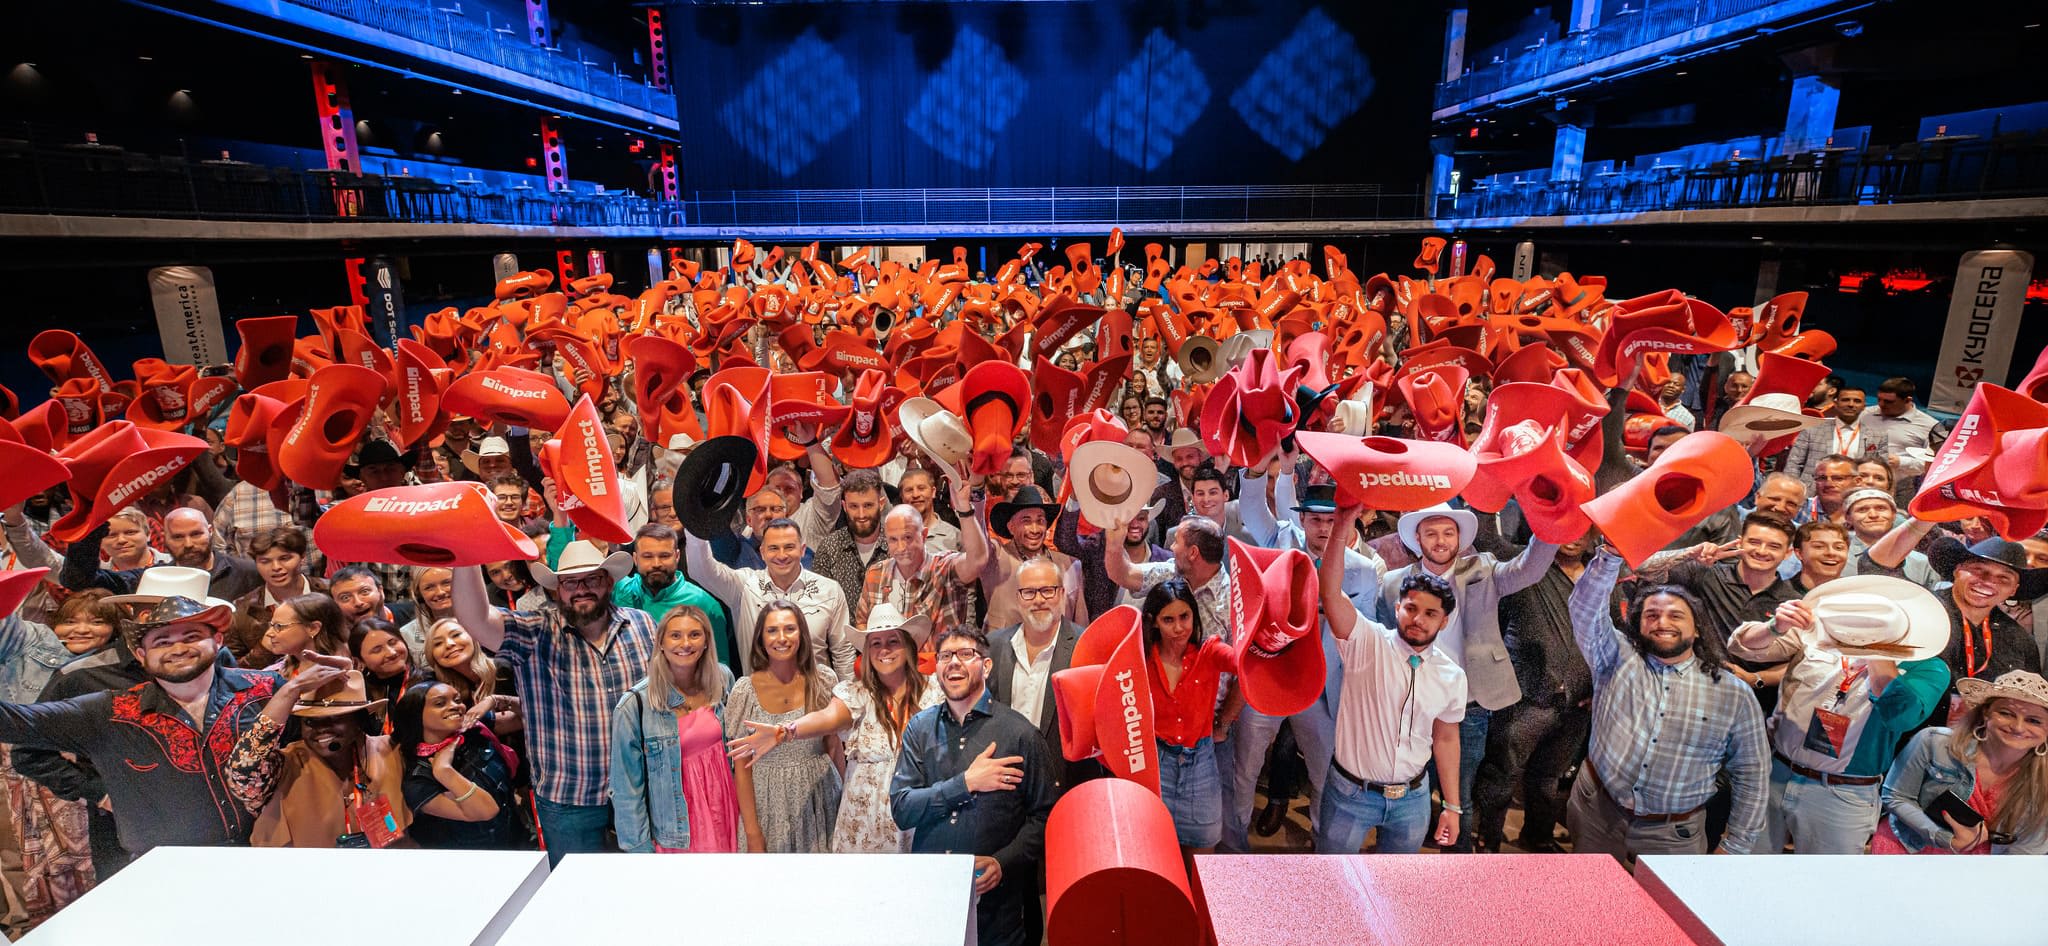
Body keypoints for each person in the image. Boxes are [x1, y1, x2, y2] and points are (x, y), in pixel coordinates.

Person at [0, 596, 347, 858]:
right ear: (140, 655)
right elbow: (15, 723)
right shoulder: (108, 710)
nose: (178, 648)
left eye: (192, 636)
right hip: (162, 869)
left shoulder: (265, 690)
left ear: (218, 641)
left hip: (265, 853)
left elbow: (335, 747)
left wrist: (345, 680)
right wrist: (98, 792)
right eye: (162, 642)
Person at [450, 540, 658, 864]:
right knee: (576, 898)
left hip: (640, 790)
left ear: (608, 581)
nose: (581, 589)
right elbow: (476, 620)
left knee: (643, 889)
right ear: (558, 589)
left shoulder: (643, 624)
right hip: (569, 797)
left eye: (592, 579)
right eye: (570, 582)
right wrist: (466, 549)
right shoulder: (535, 632)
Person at [1566, 543, 1770, 859]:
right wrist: (1610, 555)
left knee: (1664, 908)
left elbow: (1752, 772)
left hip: (1673, 835)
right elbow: (1584, 609)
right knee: (1586, 900)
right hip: (1596, 813)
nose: (1663, 623)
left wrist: (1737, 845)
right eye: (1652, 615)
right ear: (1639, 624)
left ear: (1698, 629)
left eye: (1676, 615)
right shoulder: (1616, 658)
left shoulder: (1733, 693)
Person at [1377, 503, 1559, 851]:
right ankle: (1403, 867)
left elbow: (1530, 569)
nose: (1440, 541)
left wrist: (1552, 527)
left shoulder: (1483, 570)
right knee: (1408, 790)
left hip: (1468, 706)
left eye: (1448, 533)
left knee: (1457, 795)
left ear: (1460, 538)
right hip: (1410, 705)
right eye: (1431, 533)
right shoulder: (1392, 584)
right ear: (1417, 538)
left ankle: (1459, 870)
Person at [1728, 587, 1949, 853]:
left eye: (1877, 620)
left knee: (1825, 883)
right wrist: (1776, 626)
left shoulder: (1928, 666)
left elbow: (1900, 716)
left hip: (1841, 793)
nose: (1865, 623)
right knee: (1749, 865)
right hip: (1776, 772)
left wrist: (1878, 650)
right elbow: (1743, 647)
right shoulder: (1819, 635)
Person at [890, 626, 1054, 946]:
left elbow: (1046, 817)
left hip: (1000, 911)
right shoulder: (920, 728)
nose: (954, 662)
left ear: (986, 666)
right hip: (932, 899)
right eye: (945, 656)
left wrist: (1002, 862)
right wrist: (965, 783)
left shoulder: (1020, 734)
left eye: (966, 654)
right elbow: (902, 809)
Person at [729, 604, 938, 853]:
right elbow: (827, 718)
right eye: (876, 643)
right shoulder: (857, 695)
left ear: (909, 646)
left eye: (893, 641)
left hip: (919, 819)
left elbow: (832, 748)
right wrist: (785, 731)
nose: (884, 650)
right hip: (865, 828)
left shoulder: (935, 692)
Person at [1315, 509, 1465, 855]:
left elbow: (1445, 738)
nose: (1418, 620)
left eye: (1430, 614)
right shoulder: (1366, 640)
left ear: (1444, 622)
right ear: (1397, 607)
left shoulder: (1451, 675)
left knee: (1394, 891)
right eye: (1411, 609)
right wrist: (1342, 525)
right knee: (1332, 881)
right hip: (1351, 794)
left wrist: (1452, 807)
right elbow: (1331, 593)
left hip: (1412, 800)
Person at [1474, 527, 1600, 853]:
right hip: (1523, 696)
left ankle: (1537, 837)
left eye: (1583, 528)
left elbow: (1611, 635)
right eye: (1565, 525)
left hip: (1577, 703)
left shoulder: (1602, 574)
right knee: (1501, 773)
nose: (1573, 535)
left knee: (1549, 779)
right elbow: (1485, 533)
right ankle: (1487, 838)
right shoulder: (1521, 560)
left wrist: (1599, 688)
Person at [0, 591, 111, 923]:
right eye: (70, 621)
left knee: (89, 854)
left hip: (86, 773)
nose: (81, 629)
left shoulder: (118, 666)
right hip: (30, 767)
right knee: (34, 855)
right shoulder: (35, 645)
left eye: (96, 621)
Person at [610, 605, 740, 853]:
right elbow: (626, 789)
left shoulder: (723, 680)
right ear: (660, 642)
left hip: (727, 812)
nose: (685, 643)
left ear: (706, 642)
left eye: (694, 635)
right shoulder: (635, 705)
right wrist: (639, 850)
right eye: (675, 635)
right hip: (677, 829)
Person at [1877, 670, 2048, 854]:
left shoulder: (2042, 781)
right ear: (1986, 714)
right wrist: (1944, 838)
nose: (2018, 727)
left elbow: (2029, 848)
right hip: (1908, 850)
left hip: (1980, 869)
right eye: (2006, 713)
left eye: (2034, 721)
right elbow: (1895, 796)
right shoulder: (1934, 742)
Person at [724, 601, 839, 853]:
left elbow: (833, 745)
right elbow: (741, 768)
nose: (782, 638)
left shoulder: (823, 680)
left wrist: (843, 805)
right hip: (769, 802)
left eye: (790, 629)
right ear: (761, 639)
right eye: (772, 630)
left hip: (819, 796)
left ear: (802, 634)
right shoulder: (744, 691)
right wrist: (753, 833)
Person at [249, 671, 413, 848]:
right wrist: (292, 688)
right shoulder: (284, 763)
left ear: (360, 721)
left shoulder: (393, 751)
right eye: (310, 722)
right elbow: (244, 767)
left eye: (334, 718)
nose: (321, 729)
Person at [1141, 579, 1240, 860]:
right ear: (1154, 622)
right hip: (1155, 767)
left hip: (1201, 768)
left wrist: (1223, 723)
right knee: (1155, 861)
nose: (1179, 627)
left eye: (1185, 617)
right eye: (1168, 619)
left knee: (1203, 865)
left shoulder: (1209, 651)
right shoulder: (1140, 657)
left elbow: (1244, 666)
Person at [686, 516, 854, 678]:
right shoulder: (745, 586)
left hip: (817, 700)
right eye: (773, 548)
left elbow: (843, 653)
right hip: (760, 701)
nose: (782, 555)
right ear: (762, 552)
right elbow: (701, 570)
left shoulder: (829, 590)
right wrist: (695, 519)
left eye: (789, 547)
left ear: (802, 550)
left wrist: (848, 702)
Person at [987, 558, 1100, 794]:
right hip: (1004, 784)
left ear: (1061, 594)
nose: (1038, 600)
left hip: (1063, 786)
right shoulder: (993, 646)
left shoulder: (1086, 647)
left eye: (1047, 591)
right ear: (1018, 598)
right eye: (1029, 592)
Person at [390, 681, 524, 849]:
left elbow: (531, 718)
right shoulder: (418, 779)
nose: (455, 706)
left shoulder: (473, 728)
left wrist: (496, 700)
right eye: (440, 703)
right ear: (416, 715)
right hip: (474, 862)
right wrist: (444, 771)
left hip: (519, 843)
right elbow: (486, 811)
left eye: (457, 700)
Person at [854, 496, 989, 646]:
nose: (901, 547)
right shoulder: (876, 573)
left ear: (924, 536)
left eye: (908, 537)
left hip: (936, 666)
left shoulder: (944, 568)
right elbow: (862, 624)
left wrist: (965, 510)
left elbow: (978, 560)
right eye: (893, 539)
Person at [610, 523, 728, 653]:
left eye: (664, 556)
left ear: (677, 556)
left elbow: (720, 667)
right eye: (648, 556)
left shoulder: (704, 604)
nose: (656, 564)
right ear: (635, 559)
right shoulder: (619, 590)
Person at [980, 485, 1077, 630]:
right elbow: (978, 541)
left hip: (1057, 651)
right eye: (1026, 521)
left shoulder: (1069, 564)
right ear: (1011, 527)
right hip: (1003, 650)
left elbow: (1080, 625)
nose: (1035, 529)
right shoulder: (997, 558)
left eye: (1040, 521)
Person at [227, 526, 325, 666]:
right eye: (265, 561)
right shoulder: (241, 610)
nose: (276, 567)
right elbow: (231, 672)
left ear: (302, 557)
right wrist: (263, 649)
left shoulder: (330, 593)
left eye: (285, 558)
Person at [423, 618, 522, 738]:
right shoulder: (443, 689)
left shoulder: (506, 667)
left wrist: (494, 700)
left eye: (456, 635)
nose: (449, 644)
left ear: (473, 637)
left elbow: (538, 709)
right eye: (438, 643)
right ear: (432, 655)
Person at [1862, 378, 1945, 497]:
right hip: (1859, 484)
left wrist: (1901, 462)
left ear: (1908, 400)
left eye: (1888, 401)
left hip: (1901, 491)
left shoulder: (1931, 426)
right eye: (1879, 399)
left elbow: (1935, 465)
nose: (1881, 405)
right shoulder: (1864, 414)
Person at [348, 618, 422, 733]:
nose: (391, 653)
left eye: (393, 642)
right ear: (360, 661)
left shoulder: (428, 683)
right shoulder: (358, 695)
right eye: (377, 650)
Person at [260, 593, 351, 678]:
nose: (269, 633)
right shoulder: (271, 674)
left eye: (279, 626)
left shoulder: (344, 675)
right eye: (271, 625)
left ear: (313, 628)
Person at [898, 466, 962, 553]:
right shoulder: (893, 535)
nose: (915, 495)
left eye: (921, 488)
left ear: (933, 492)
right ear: (902, 496)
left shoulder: (955, 537)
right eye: (909, 490)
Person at [329, 565, 413, 628]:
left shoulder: (415, 617)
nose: (358, 602)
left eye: (364, 592)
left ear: (380, 591)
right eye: (345, 598)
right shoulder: (334, 640)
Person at [397, 567, 457, 653]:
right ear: (419, 594)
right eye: (429, 587)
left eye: (446, 583)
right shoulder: (407, 634)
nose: (440, 592)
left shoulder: (481, 623)